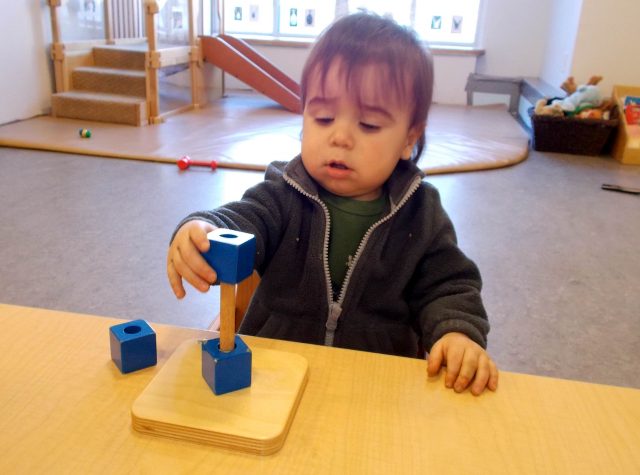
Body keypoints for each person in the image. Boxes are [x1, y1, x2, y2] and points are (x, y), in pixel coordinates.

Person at [167, 13, 498, 395]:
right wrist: (202, 228)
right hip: (273, 374)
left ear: (409, 138)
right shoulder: (284, 193)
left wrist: (458, 332)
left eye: (369, 125)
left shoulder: (420, 213)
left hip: (376, 386)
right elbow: (241, 219)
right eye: (323, 117)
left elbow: (449, 285)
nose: (340, 137)